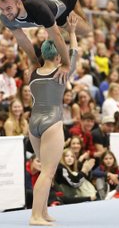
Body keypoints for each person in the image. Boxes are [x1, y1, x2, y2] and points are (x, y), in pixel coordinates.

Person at [27, 13, 78, 225]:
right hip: (51, 123)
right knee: (47, 172)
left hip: (34, 123)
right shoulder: (61, 73)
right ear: (58, 57)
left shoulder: (33, 72)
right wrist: (72, 32)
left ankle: (43, 211)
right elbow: (74, 53)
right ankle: (35, 216)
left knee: (45, 170)